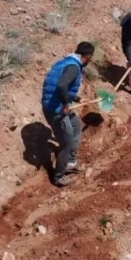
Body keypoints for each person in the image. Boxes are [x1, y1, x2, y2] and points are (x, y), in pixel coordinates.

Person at [41, 42, 94, 187]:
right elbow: (61, 85)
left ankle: (70, 162)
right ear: (88, 56)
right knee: (67, 142)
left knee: (76, 126)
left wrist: (77, 98)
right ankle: (58, 177)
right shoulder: (74, 68)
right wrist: (65, 105)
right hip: (56, 110)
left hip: (55, 105)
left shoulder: (67, 62)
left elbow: (60, 85)